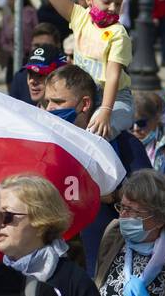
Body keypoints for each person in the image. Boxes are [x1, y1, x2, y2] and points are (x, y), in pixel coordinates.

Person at [43, 65, 152, 275]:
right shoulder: (45, 145)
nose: (49, 109)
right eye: (47, 101)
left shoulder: (124, 145)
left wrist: (113, 195)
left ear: (85, 104)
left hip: (109, 271)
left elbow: (151, 201)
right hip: (56, 271)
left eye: (58, 102)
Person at [32, 0, 135, 138]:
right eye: (107, 2)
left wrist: (106, 111)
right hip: (82, 94)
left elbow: (113, 75)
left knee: (96, 133)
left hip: (114, 99)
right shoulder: (80, 17)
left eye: (118, 3)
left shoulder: (118, 33)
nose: (113, 8)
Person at [9, 30, 67, 107]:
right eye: (30, 74)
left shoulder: (68, 117)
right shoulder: (25, 113)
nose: (32, 81)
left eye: (40, 75)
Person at [0, 0, 39, 77]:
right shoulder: (7, 18)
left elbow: (37, 31)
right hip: (13, 57)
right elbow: (3, 41)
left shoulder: (30, 12)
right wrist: (11, 49)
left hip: (29, 56)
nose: (9, 2)